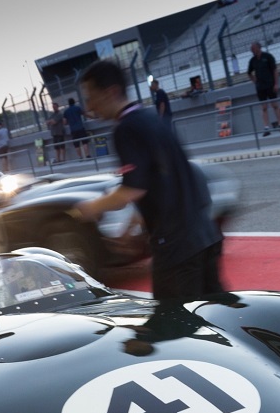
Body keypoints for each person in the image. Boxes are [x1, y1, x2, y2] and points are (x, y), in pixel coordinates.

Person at [73, 60, 223, 300]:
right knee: (216, 317)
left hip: (177, 249)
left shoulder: (125, 129)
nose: (89, 107)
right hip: (205, 235)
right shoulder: (152, 118)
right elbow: (159, 182)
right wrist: (133, 226)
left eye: (91, 97)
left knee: (173, 327)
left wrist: (91, 207)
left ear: (111, 91)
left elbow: (132, 190)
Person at [247, 42, 280, 135]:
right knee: (264, 107)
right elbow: (249, 72)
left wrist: (276, 84)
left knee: (275, 105)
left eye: (254, 49)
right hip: (260, 87)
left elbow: (275, 70)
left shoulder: (268, 56)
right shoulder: (252, 60)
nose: (252, 51)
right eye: (251, 49)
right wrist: (255, 81)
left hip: (270, 84)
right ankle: (266, 127)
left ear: (258, 48)